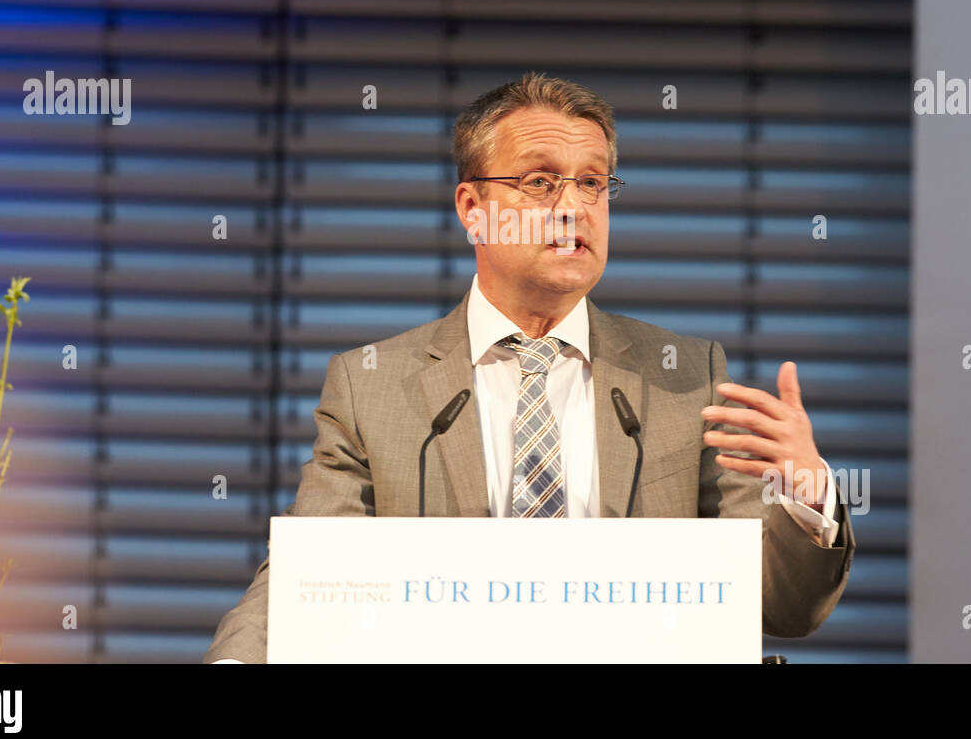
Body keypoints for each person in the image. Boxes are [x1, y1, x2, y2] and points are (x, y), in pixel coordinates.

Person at [204, 72, 854, 663]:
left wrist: (805, 497)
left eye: (594, 182)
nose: (573, 206)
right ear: (471, 209)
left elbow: (781, 607)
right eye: (540, 182)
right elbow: (310, 576)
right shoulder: (370, 386)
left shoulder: (685, 378)